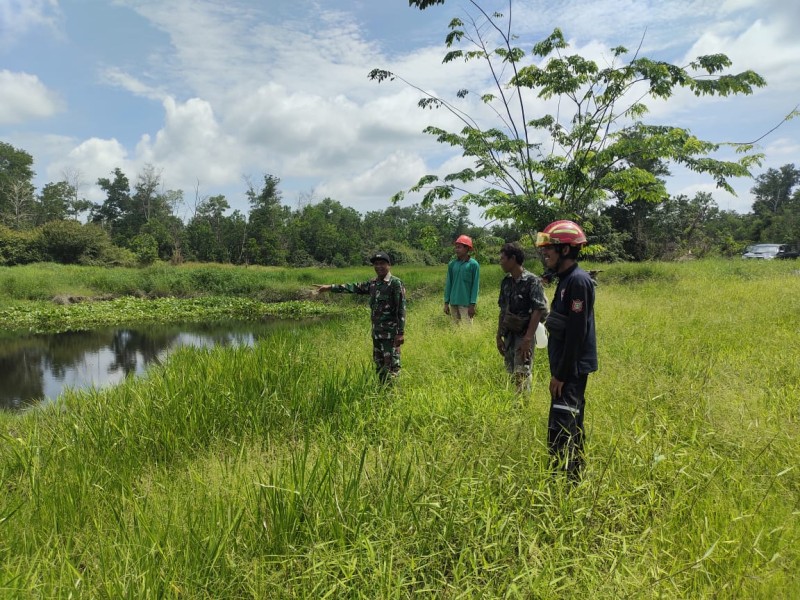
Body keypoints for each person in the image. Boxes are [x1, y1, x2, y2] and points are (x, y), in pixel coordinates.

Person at [535, 220, 598, 482]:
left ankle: (566, 484)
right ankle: (570, 477)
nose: (545, 253)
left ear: (565, 250)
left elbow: (576, 334)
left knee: (562, 428)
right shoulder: (565, 280)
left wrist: (560, 374)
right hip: (564, 368)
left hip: (570, 370)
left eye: (550, 248)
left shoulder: (578, 282)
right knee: (569, 423)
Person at [315, 251, 406, 384]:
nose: (379, 267)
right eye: (376, 264)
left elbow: (401, 309)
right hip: (376, 334)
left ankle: (394, 396)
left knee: (392, 367)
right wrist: (329, 287)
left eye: (382, 264)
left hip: (390, 335)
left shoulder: (395, 283)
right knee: (379, 366)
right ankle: (382, 392)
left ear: (389, 265)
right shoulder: (374, 283)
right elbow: (353, 287)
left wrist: (400, 333)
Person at [496, 242, 548, 394]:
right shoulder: (506, 282)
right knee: (511, 371)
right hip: (509, 334)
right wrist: (498, 335)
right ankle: (513, 405)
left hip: (525, 334)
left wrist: (527, 339)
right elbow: (503, 310)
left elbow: (538, 310)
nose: (501, 262)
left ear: (512, 259)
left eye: (503, 258)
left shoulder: (532, 281)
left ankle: (522, 406)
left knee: (522, 372)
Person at [444, 234, 480, 325]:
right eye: (456, 247)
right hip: (453, 303)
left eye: (459, 247)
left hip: (466, 304)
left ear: (467, 248)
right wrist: (446, 303)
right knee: (455, 330)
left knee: (467, 332)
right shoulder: (452, 264)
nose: (456, 250)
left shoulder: (473, 265)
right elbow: (449, 284)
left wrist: (472, 305)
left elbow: (475, 286)